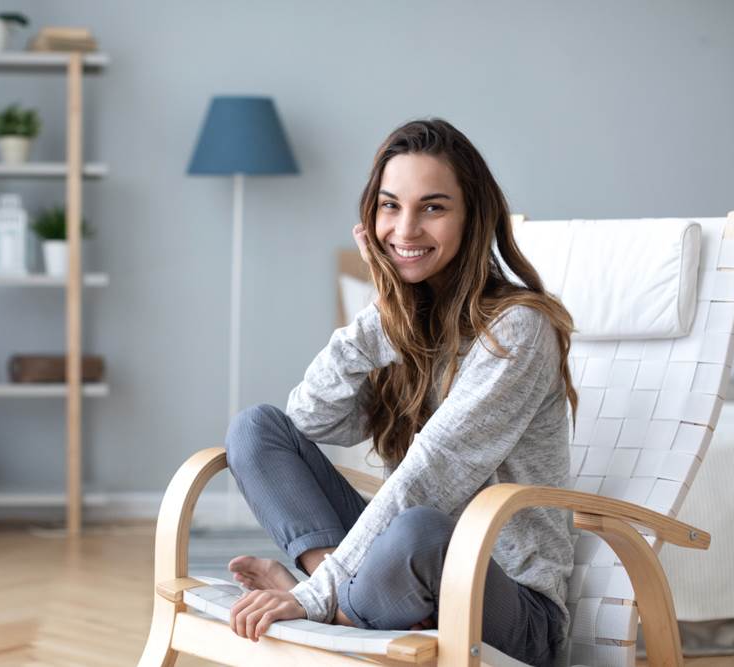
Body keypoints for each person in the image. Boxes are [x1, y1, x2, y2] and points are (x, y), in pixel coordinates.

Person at [223, 118, 578, 666]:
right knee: (255, 427)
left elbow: (434, 472)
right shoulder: (401, 321)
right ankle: (335, 591)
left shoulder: (518, 329)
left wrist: (310, 597)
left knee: (422, 529)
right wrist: (382, 310)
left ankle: (327, 603)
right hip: (392, 576)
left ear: (471, 218)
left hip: (510, 610)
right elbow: (308, 418)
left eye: (433, 207)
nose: (405, 230)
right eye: (390, 206)